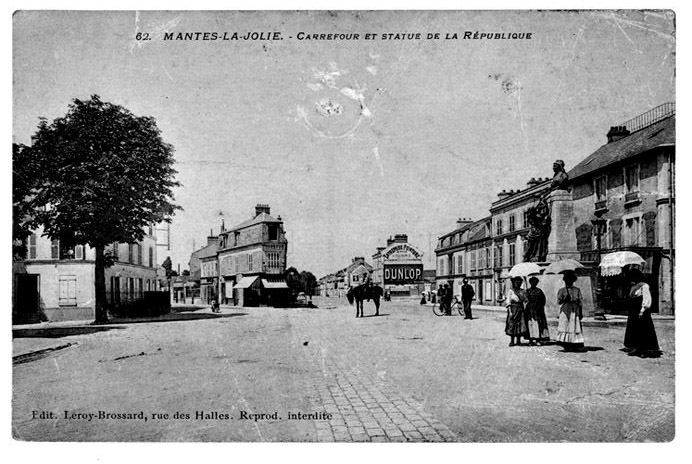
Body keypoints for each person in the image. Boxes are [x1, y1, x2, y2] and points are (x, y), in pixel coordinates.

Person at [623, 269, 661, 358]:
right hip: (633, 311)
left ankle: (645, 349)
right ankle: (636, 347)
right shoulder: (633, 287)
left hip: (641, 310)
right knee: (634, 329)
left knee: (644, 330)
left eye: (633, 277)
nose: (631, 279)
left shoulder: (644, 286)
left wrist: (642, 310)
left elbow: (646, 299)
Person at [556, 271, 585, 352]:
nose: (569, 282)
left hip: (574, 310)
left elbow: (580, 302)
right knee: (565, 325)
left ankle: (574, 343)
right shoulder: (562, 290)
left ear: (573, 281)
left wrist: (580, 312)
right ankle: (565, 344)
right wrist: (565, 299)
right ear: (565, 281)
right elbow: (559, 302)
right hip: (565, 310)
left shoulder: (577, 290)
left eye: (571, 280)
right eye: (567, 280)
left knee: (574, 326)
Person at [525, 276, 549, 345]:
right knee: (530, 324)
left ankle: (537, 339)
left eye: (535, 282)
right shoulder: (527, 291)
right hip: (530, 310)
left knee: (538, 324)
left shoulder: (539, 291)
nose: (534, 283)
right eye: (532, 282)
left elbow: (543, 300)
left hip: (538, 310)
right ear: (530, 283)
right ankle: (531, 339)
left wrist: (540, 307)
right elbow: (525, 300)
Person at [505, 277, 528, 346]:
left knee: (520, 324)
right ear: (514, 283)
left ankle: (518, 340)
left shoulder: (523, 291)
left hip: (520, 309)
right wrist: (510, 312)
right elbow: (508, 302)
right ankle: (512, 341)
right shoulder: (511, 291)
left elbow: (526, 300)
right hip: (513, 309)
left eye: (519, 282)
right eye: (516, 282)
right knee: (512, 324)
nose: (518, 284)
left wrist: (525, 296)